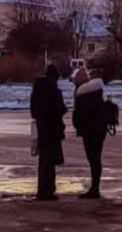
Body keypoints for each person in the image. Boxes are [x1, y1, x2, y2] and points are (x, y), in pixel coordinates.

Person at [29, 63, 67, 201]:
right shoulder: (54, 91)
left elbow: (33, 111)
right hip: (53, 129)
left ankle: (42, 190)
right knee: (50, 162)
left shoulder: (37, 89)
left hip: (42, 128)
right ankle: (48, 190)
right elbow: (60, 109)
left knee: (44, 160)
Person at [71, 65, 108, 199]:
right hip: (100, 129)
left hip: (90, 131)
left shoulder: (83, 96)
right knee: (96, 159)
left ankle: (94, 189)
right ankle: (95, 187)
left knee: (93, 159)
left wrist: (78, 125)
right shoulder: (96, 93)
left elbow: (79, 116)